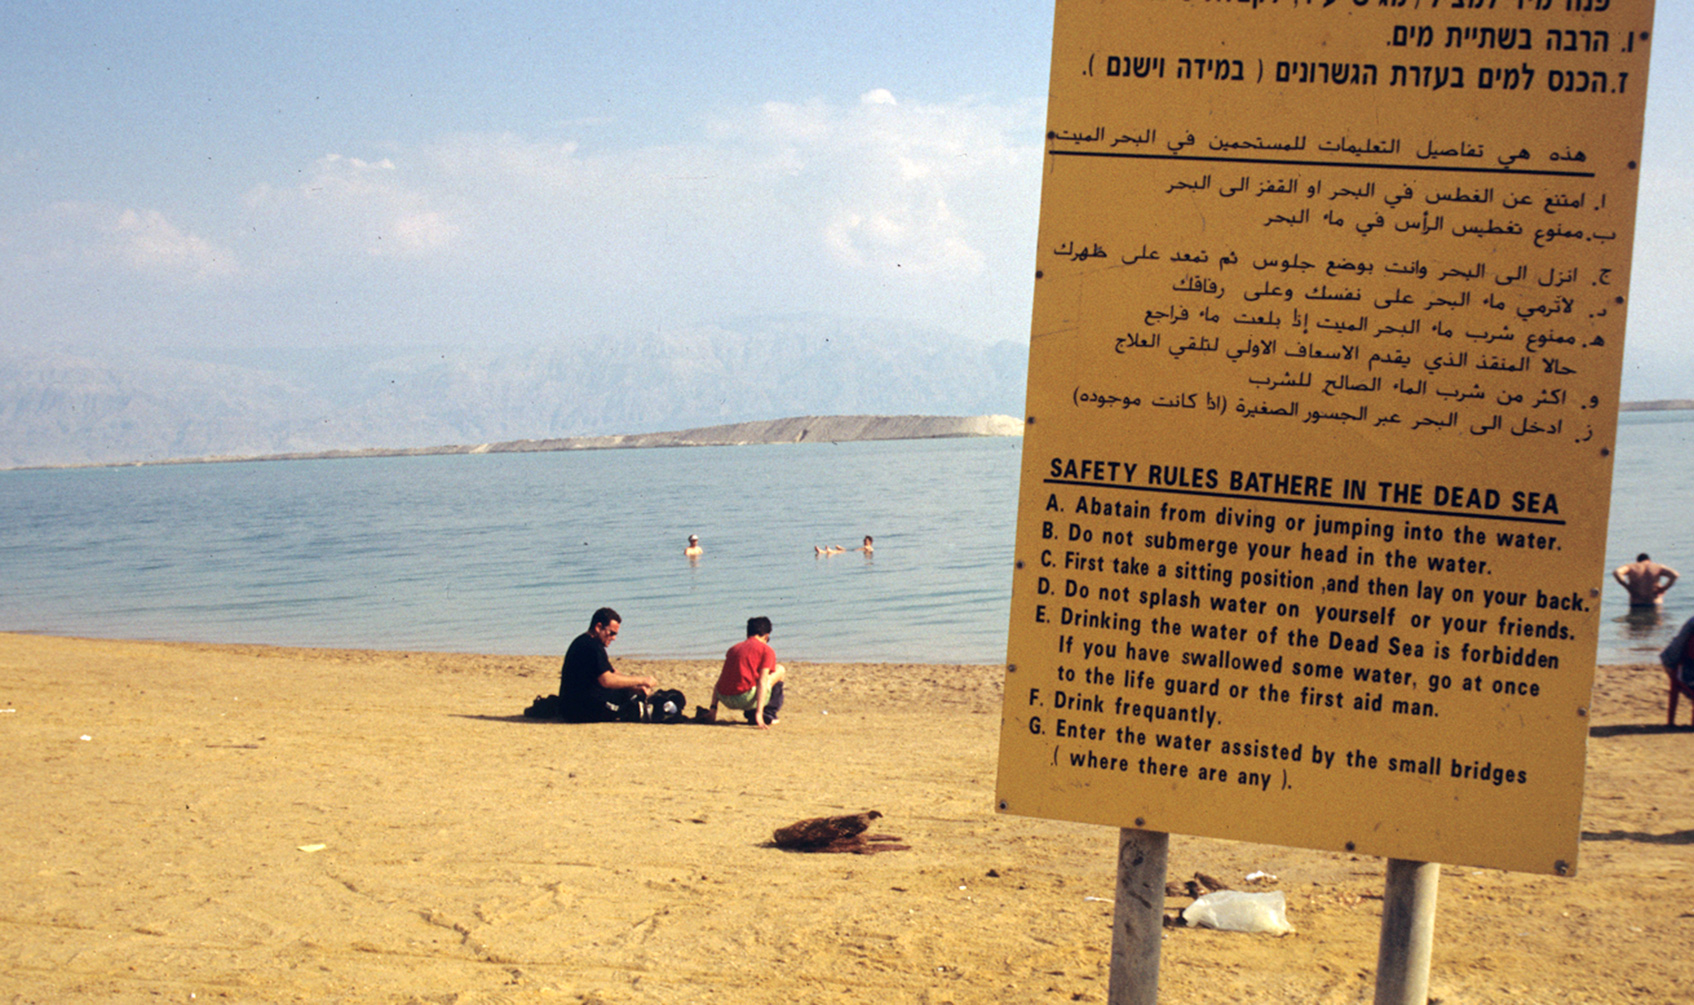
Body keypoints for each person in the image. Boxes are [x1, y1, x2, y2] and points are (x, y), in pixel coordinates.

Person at [558, 607, 659, 722]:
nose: (613, 638)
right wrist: (642, 680)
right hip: (581, 710)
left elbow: (611, 672)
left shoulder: (582, 641)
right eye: (611, 633)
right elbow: (607, 680)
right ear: (598, 627)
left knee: (626, 693)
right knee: (631, 705)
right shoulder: (592, 647)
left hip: (571, 706)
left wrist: (635, 687)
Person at [707, 616, 786, 729]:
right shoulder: (766, 650)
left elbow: (720, 680)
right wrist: (759, 714)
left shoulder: (733, 649)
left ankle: (751, 713)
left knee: (747, 676)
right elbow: (763, 682)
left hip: (725, 698)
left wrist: (713, 709)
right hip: (743, 698)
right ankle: (768, 713)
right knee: (780, 670)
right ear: (766, 636)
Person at [1614, 554, 1678, 608]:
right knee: (1656, 621)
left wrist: (1627, 587)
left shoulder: (1631, 567)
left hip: (1636, 603)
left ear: (1637, 561)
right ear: (1649, 560)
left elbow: (1617, 572)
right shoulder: (1657, 567)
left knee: (1635, 621)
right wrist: (1664, 588)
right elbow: (1675, 575)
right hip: (1654, 602)